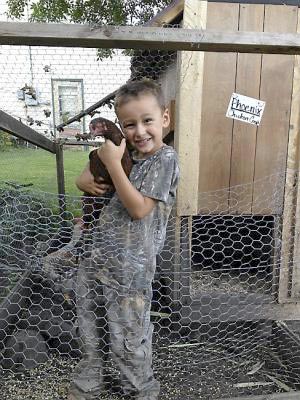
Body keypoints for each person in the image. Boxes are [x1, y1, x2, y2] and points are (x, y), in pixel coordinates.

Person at [68, 79, 180, 400]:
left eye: (148, 121)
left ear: (165, 118)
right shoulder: (124, 151)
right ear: (121, 125)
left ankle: (139, 390)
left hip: (131, 270)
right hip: (97, 259)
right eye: (130, 124)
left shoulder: (165, 160)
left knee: (129, 335)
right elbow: (86, 178)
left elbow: (139, 208)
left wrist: (115, 164)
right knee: (91, 326)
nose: (140, 131)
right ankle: (90, 382)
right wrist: (85, 178)